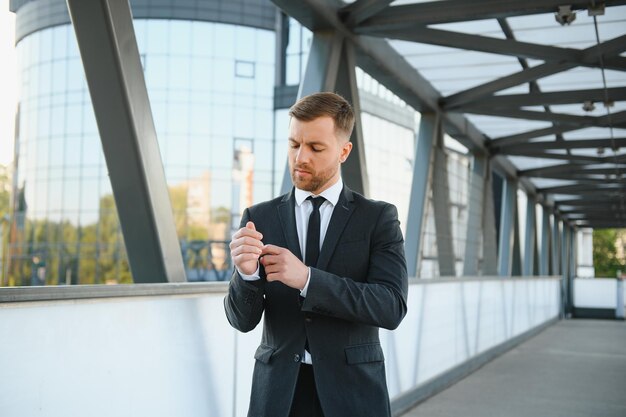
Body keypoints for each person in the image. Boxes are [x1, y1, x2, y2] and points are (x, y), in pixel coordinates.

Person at [224, 92, 408, 417]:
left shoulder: (378, 217)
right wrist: (247, 274)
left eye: (315, 148)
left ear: (344, 151)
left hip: (352, 394)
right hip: (278, 395)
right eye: (294, 144)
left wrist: (308, 280)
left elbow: (391, 306)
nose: (300, 158)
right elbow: (241, 321)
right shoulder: (259, 217)